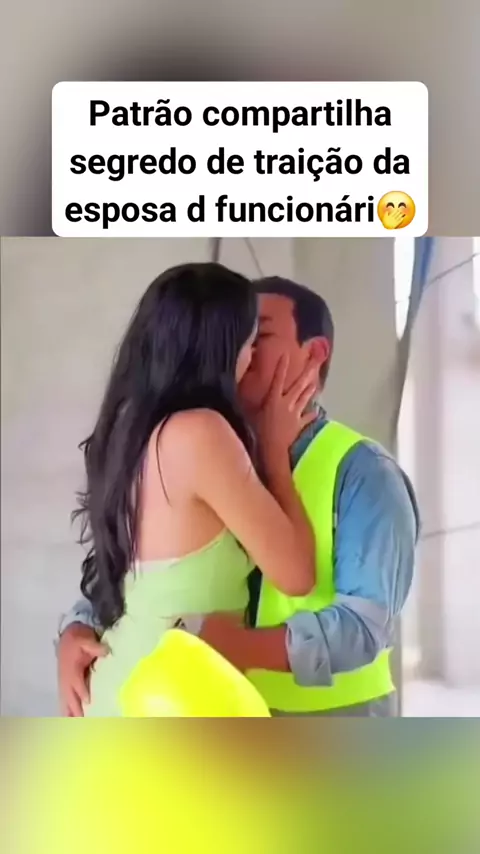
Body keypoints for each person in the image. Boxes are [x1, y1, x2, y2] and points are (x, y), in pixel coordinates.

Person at [58, 275, 419, 717]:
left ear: (314, 355)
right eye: (238, 335)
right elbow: (128, 570)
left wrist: (237, 647)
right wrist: (77, 626)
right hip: (183, 703)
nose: (244, 354)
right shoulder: (205, 444)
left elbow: (364, 626)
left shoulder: (365, 473)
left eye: (258, 336)